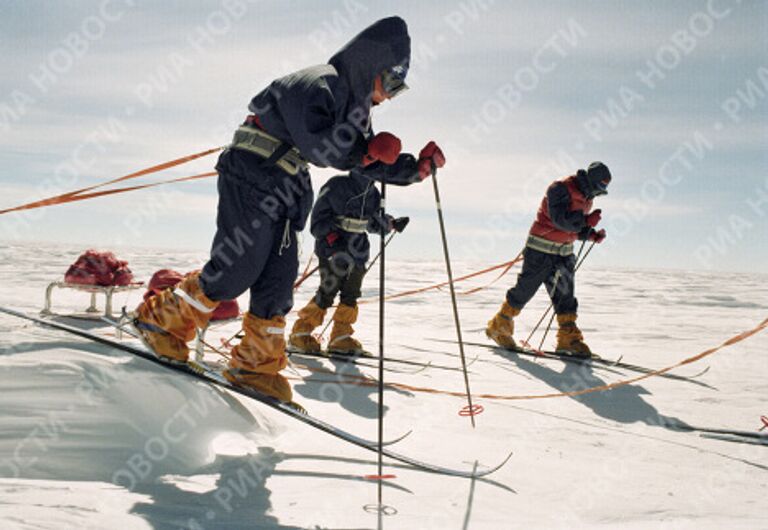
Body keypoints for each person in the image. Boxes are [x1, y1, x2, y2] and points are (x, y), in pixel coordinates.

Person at [132, 16, 445, 404]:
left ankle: (255, 366)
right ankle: (161, 322)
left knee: (279, 281)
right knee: (237, 267)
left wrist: (417, 169)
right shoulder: (320, 83)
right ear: (372, 67)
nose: (391, 96)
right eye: (392, 83)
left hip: (288, 184)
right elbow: (322, 147)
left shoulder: (354, 108)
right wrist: (366, 149)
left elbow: (363, 161)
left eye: (400, 88)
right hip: (253, 170)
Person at [288, 165, 419, 356]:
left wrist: (390, 224)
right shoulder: (337, 185)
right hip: (333, 248)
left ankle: (340, 338)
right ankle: (300, 333)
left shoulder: (373, 193)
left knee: (351, 293)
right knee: (328, 290)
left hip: (358, 251)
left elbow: (374, 222)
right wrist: (333, 239)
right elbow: (317, 223)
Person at [486, 162, 611, 358]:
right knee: (525, 290)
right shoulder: (559, 188)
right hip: (540, 250)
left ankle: (568, 339)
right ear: (589, 180)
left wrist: (591, 234)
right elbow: (559, 219)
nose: (597, 194)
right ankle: (499, 326)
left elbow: (572, 228)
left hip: (564, 253)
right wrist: (586, 221)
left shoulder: (587, 199)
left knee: (566, 297)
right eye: (598, 188)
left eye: (601, 191)